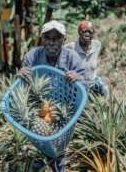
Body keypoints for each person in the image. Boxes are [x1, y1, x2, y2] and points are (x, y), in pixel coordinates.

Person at [19, 20, 86, 172]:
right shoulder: (32, 56)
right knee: (40, 147)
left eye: (56, 38)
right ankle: (42, 161)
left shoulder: (72, 57)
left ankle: (58, 163)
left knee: (59, 149)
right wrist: (21, 75)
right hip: (38, 110)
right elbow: (23, 87)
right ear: (42, 39)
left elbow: (85, 83)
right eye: (47, 38)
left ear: (64, 40)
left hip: (63, 111)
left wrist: (78, 77)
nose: (51, 42)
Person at [65, 20, 109, 97]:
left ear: (93, 34)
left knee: (106, 92)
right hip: (78, 84)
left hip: (92, 81)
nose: (87, 34)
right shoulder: (70, 48)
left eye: (90, 32)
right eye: (84, 31)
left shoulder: (97, 45)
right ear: (79, 32)